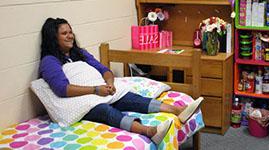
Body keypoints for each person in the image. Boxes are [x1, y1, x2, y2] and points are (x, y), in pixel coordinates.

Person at [39, 17, 203, 145]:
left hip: (98, 91)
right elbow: (62, 89)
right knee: (106, 111)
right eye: (64, 33)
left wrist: (109, 84)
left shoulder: (79, 53)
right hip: (79, 101)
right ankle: (150, 131)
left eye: (70, 31)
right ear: (53, 38)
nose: (70, 36)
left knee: (128, 97)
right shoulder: (49, 61)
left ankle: (176, 110)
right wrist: (96, 90)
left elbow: (104, 70)